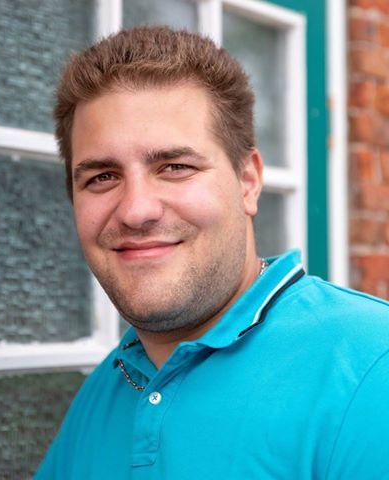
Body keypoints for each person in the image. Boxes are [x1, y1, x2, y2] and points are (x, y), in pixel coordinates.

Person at [35, 26, 389, 479]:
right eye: (102, 177)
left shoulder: (370, 371)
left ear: (248, 181)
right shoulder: (105, 389)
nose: (136, 210)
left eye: (175, 167)